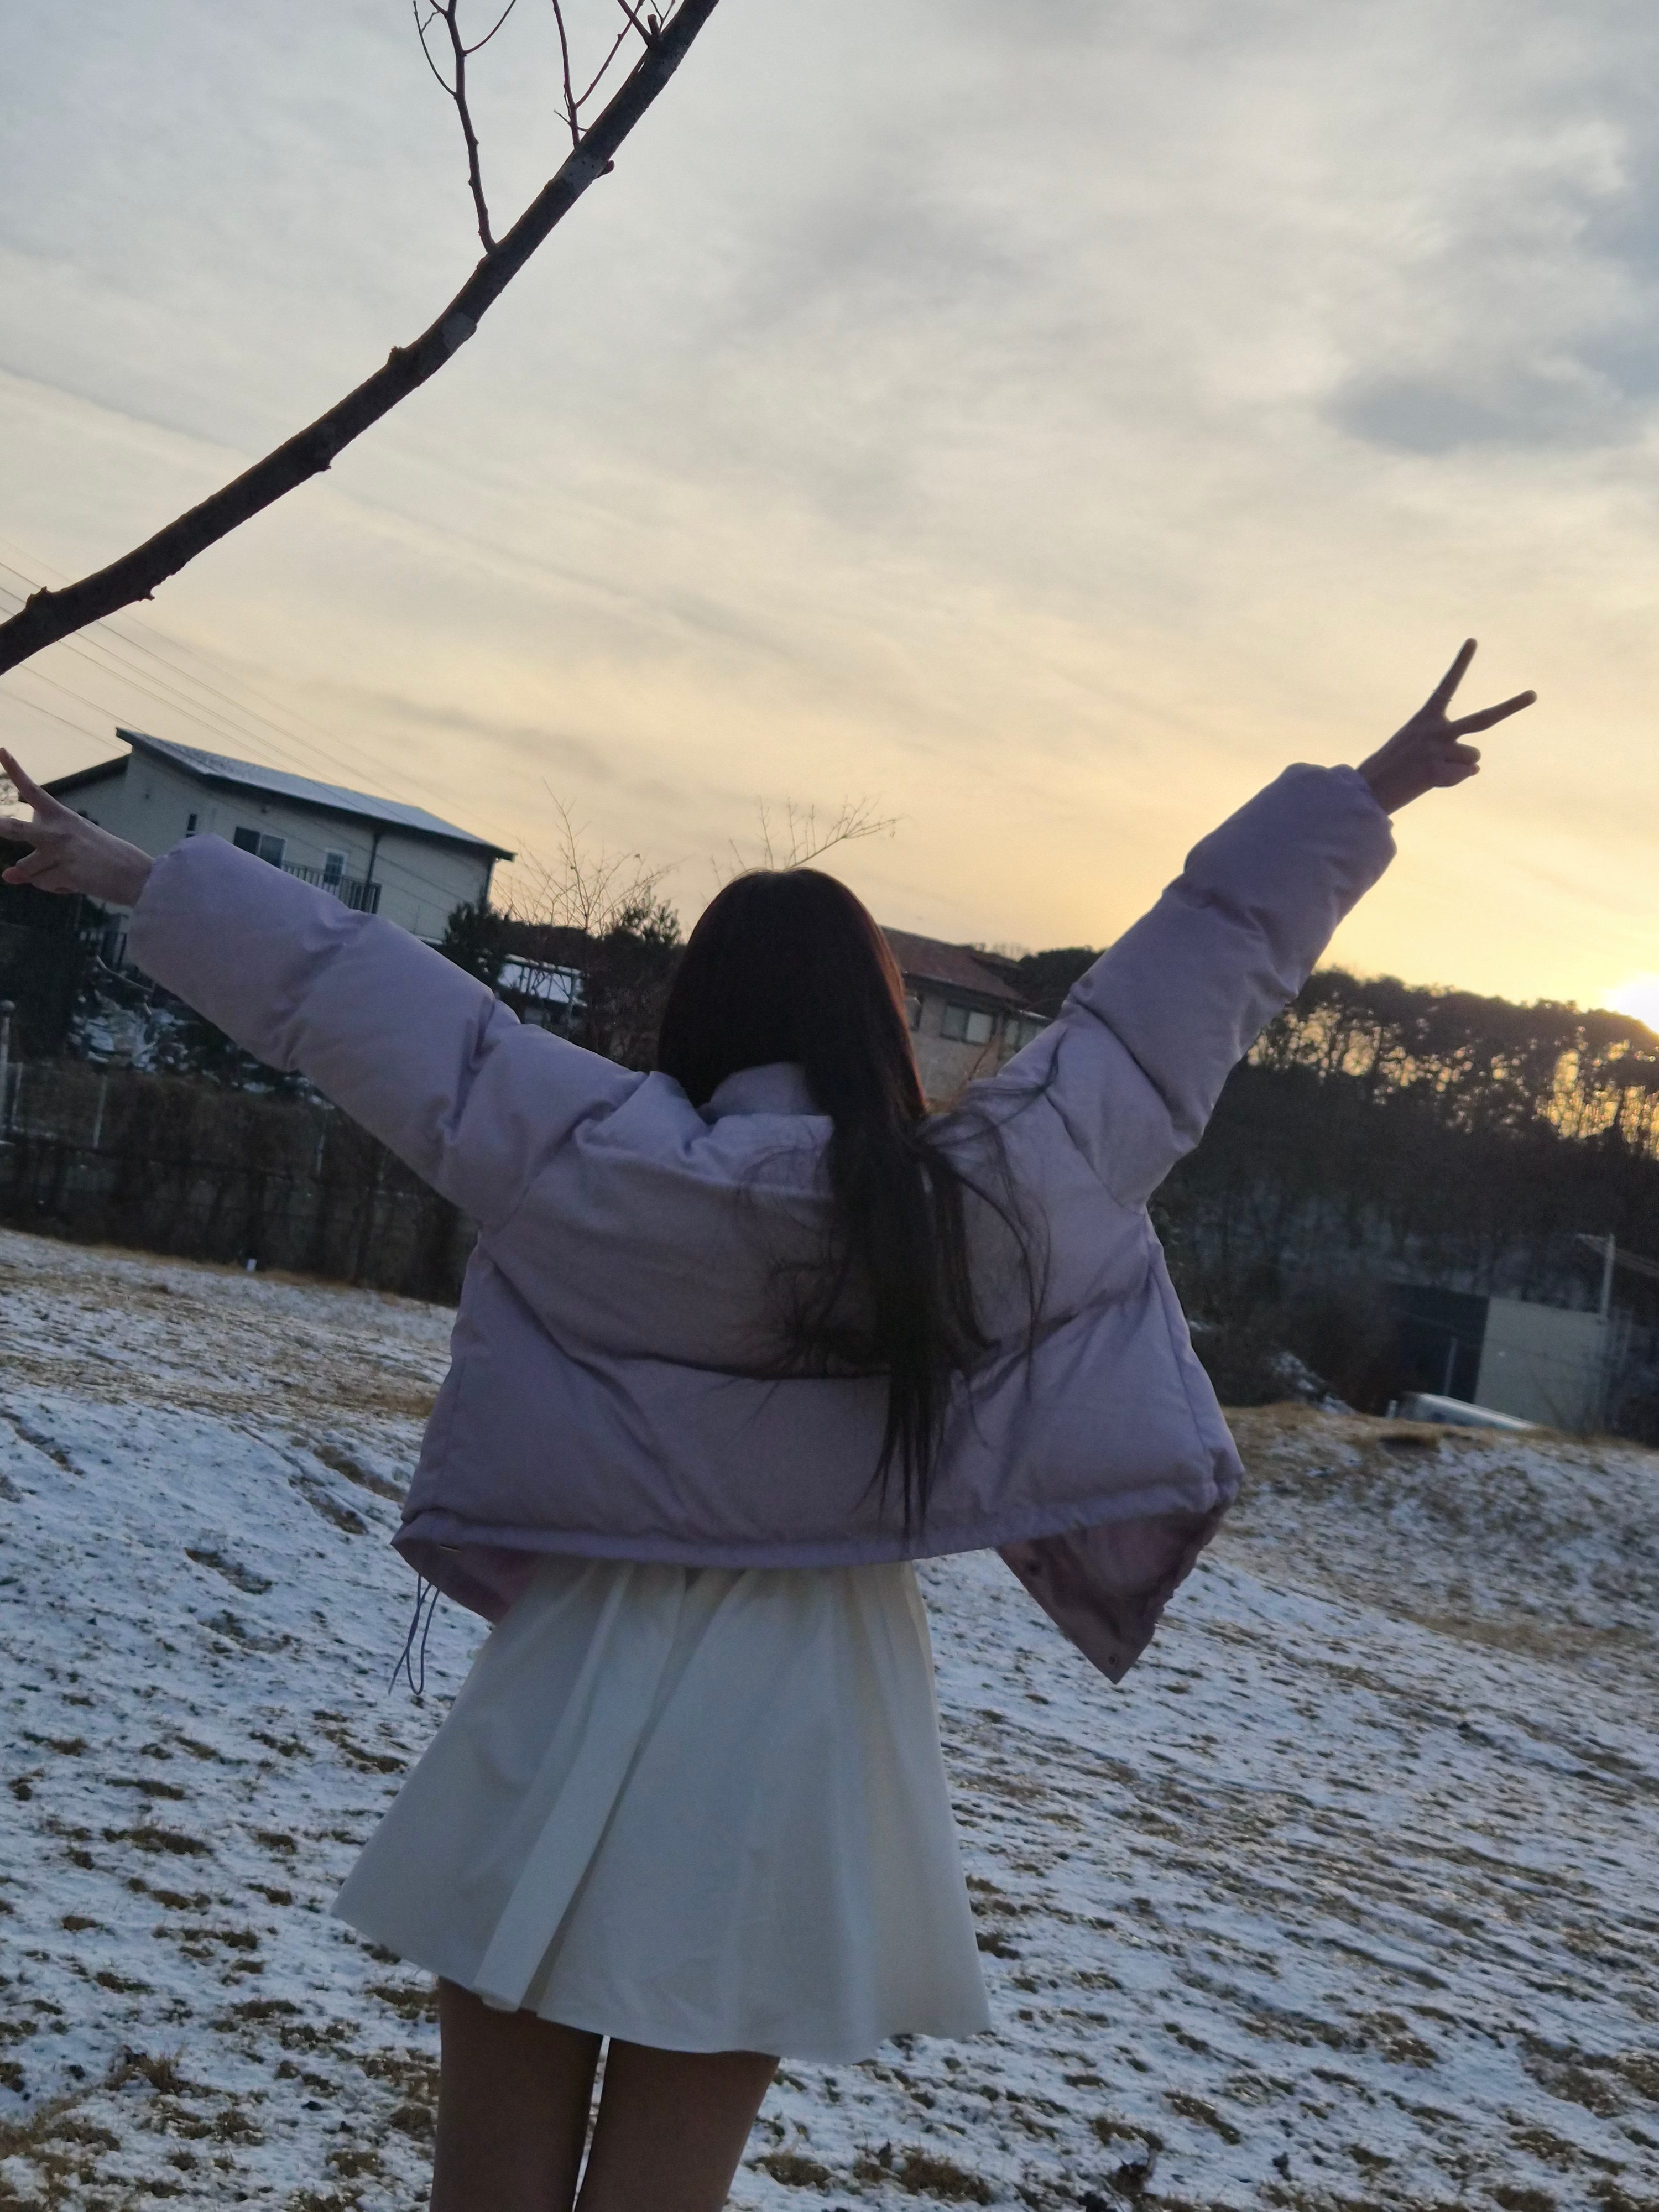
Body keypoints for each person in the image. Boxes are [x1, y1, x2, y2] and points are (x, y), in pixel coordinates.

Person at [0, 640, 1535, 2211]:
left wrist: (135, 873)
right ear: (881, 1021)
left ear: (704, 1010)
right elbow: (1173, 997)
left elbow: (370, 1002)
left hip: (586, 1658)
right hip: (812, 1701)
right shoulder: (982, 1198)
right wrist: (1361, 797)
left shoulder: (592, 1155)